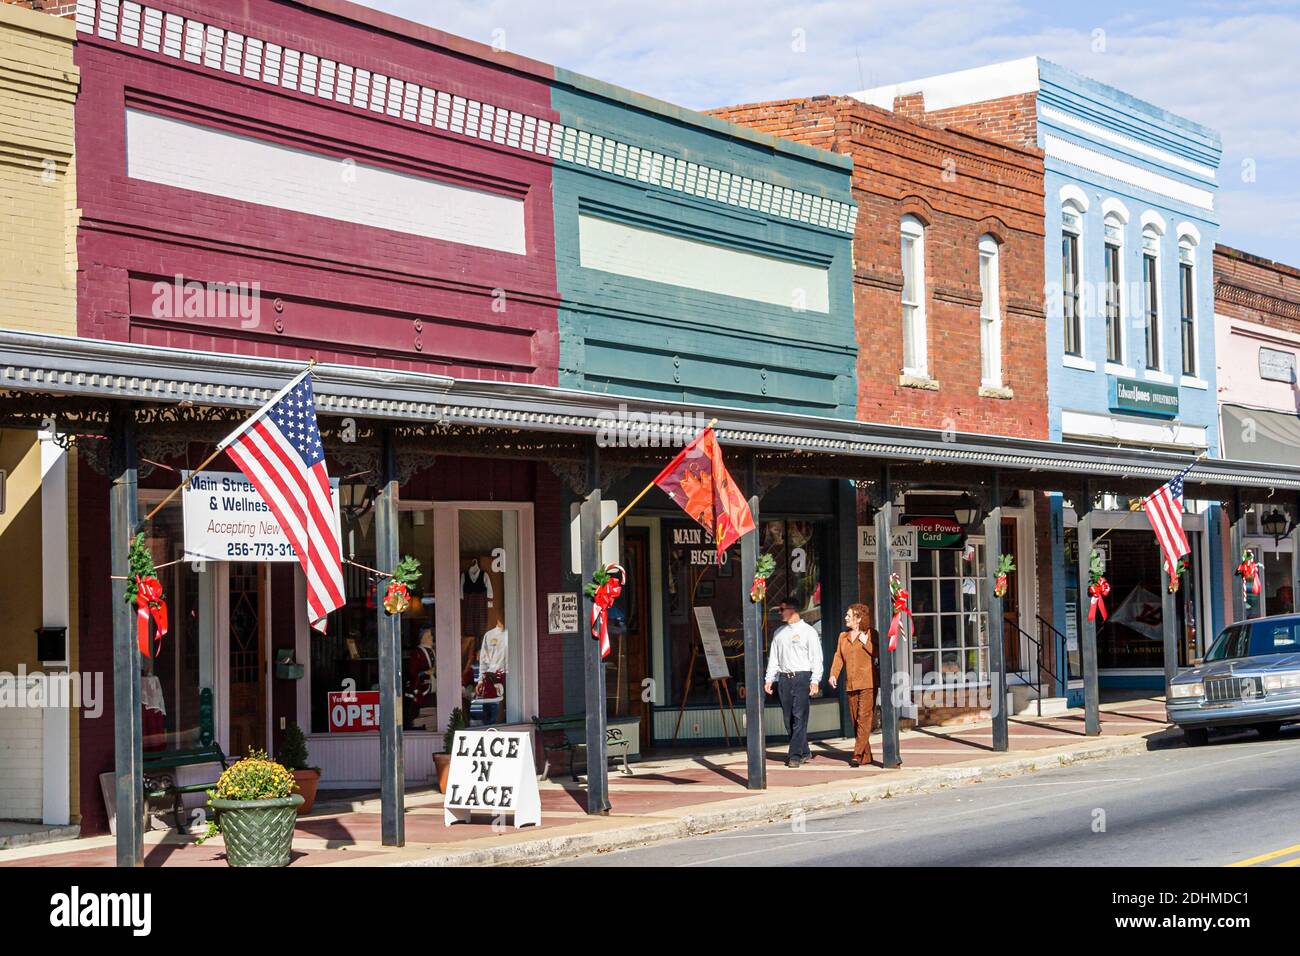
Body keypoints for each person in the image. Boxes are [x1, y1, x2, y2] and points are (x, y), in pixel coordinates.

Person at [764, 596, 823, 768]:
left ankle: (795, 755)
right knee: (788, 718)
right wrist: (769, 679)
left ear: (793, 610)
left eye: (782, 609)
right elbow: (773, 658)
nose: (780, 613)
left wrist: (815, 680)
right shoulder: (778, 633)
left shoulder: (808, 632)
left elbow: (816, 659)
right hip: (784, 678)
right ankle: (804, 751)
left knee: (799, 716)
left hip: (802, 677)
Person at [828, 603, 879, 767]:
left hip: (868, 683)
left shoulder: (871, 634)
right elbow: (838, 657)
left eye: (849, 616)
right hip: (850, 684)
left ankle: (857, 754)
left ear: (858, 618)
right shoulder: (843, 637)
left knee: (864, 719)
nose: (845, 618)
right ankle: (866, 756)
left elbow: (878, 653)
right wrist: (833, 674)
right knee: (856, 721)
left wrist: (866, 642)